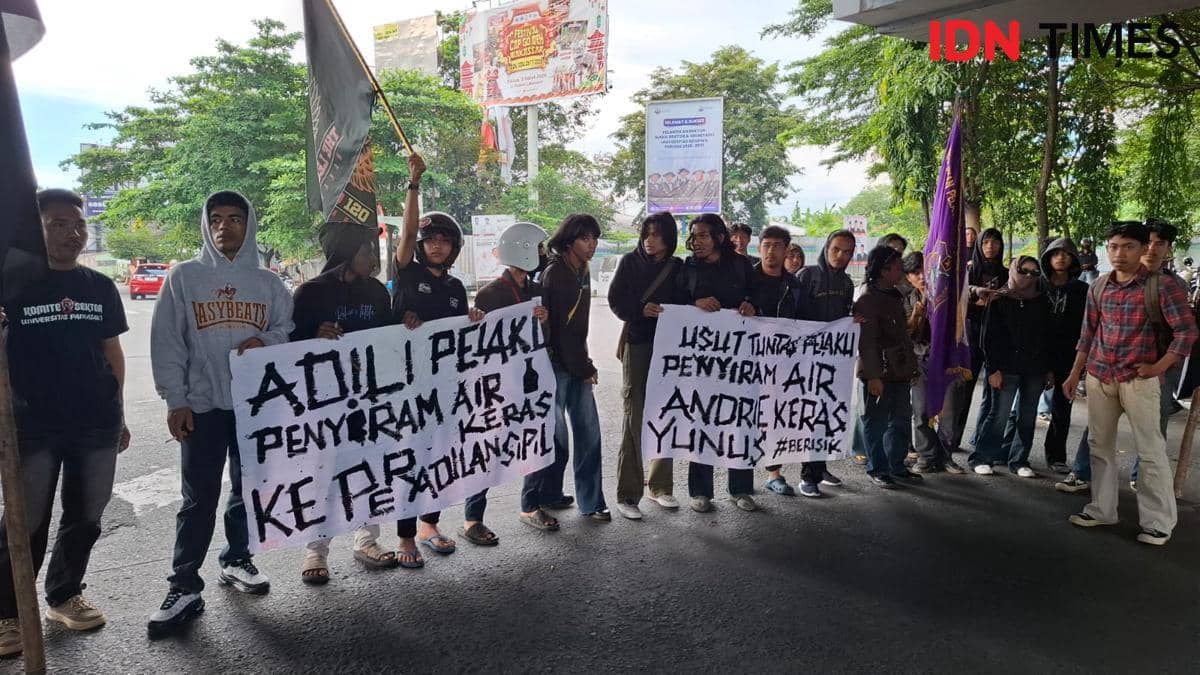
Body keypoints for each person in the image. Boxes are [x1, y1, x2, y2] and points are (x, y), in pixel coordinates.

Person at [148, 190, 293, 637]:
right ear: (205, 224)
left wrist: (265, 342)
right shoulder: (184, 277)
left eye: (234, 218)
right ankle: (184, 584)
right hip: (203, 404)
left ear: (249, 224)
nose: (224, 227)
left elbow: (286, 330)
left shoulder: (268, 283)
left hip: (254, 407)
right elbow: (167, 341)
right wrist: (176, 399)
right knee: (198, 498)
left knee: (248, 490)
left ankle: (237, 558)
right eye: (216, 218)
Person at [0, 190, 130, 655]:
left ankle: (63, 595)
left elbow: (111, 351)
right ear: (36, 229)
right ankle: (8, 613)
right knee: (24, 521)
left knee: (86, 516)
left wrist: (120, 414)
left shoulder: (98, 286)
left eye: (78, 224)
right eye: (58, 224)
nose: (72, 233)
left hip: (94, 423)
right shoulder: (11, 286)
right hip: (30, 428)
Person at [1063, 221, 1197, 546]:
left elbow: (1187, 332)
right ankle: (1101, 509)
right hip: (1099, 375)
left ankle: (1158, 522)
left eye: (1128, 247)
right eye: (1113, 246)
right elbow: (1087, 334)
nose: (1119, 254)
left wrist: (1159, 366)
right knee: (1099, 446)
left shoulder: (1162, 286)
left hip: (1140, 379)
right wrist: (1074, 373)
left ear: (1143, 249)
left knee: (1150, 451)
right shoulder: (1098, 286)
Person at [391, 157, 488, 562]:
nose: (436, 245)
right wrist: (414, 184)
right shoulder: (406, 273)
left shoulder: (454, 285)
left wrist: (474, 320)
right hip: (407, 385)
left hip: (445, 386)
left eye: (444, 241)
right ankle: (405, 537)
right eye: (430, 240)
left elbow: (459, 333)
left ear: (453, 248)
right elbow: (409, 229)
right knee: (410, 458)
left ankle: (430, 523)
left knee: (440, 455)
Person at [290, 222, 396, 585]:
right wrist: (311, 335)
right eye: (366, 251)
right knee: (325, 471)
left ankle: (368, 539)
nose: (372, 258)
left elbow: (393, 337)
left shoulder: (378, 292)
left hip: (369, 396)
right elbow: (284, 348)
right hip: (325, 402)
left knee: (371, 466)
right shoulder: (309, 294)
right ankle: (315, 551)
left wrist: (410, 322)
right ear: (345, 254)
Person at [673, 213, 759, 512]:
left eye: (702, 236)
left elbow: (756, 295)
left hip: (737, 357)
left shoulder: (742, 265)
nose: (695, 241)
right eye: (693, 236)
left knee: (739, 419)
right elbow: (675, 303)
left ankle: (741, 488)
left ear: (719, 238)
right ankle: (700, 492)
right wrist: (693, 303)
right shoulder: (687, 267)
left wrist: (750, 304)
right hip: (701, 360)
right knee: (703, 420)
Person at [475, 222, 557, 530]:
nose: (542, 254)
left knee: (534, 440)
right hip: (497, 385)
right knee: (487, 446)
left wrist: (544, 321)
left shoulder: (537, 291)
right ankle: (473, 518)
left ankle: (530, 505)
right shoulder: (489, 294)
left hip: (531, 381)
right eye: (538, 248)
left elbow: (543, 337)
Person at [538, 214, 610, 521]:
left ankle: (591, 502)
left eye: (594, 238)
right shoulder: (557, 274)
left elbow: (577, 328)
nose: (591, 244)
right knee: (557, 439)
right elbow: (561, 331)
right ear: (569, 241)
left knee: (588, 435)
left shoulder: (581, 269)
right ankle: (546, 495)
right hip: (555, 364)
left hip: (576, 362)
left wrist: (583, 363)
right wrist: (585, 367)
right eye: (585, 239)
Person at [608, 213, 681, 520]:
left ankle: (661, 486)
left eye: (657, 235)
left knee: (667, 415)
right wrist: (640, 310)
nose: (650, 241)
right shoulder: (629, 262)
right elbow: (615, 301)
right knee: (634, 416)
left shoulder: (678, 267)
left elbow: (688, 302)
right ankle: (628, 494)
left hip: (670, 349)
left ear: (669, 239)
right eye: (646, 234)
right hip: (637, 345)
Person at [967, 256, 1051, 478]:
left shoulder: (1042, 301)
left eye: (1034, 273)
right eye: (1024, 270)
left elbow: (1047, 338)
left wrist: (1048, 370)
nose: (1028, 277)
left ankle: (1019, 459)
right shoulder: (999, 300)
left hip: (1034, 368)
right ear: (1014, 270)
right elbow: (988, 339)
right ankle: (982, 457)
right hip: (1005, 367)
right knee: (999, 414)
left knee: (1027, 415)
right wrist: (993, 369)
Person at [854, 246, 922, 489]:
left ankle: (896, 466)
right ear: (883, 270)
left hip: (899, 371)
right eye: (896, 266)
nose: (901, 270)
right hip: (879, 373)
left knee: (901, 421)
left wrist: (911, 368)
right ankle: (878, 469)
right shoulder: (868, 300)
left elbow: (904, 337)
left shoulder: (895, 296)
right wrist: (873, 376)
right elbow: (867, 343)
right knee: (877, 423)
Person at [793, 231, 855, 487]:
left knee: (825, 415)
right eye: (836, 249)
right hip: (805, 360)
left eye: (848, 252)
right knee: (807, 416)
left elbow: (845, 317)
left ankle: (819, 467)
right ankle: (808, 476)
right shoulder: (807, 276)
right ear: (826, 247)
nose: (841, 256)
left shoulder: (848, 283)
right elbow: (791, 316)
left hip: (833, 360)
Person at [943, 227, 1007, 453]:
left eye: (995, 242)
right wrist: (975, 294)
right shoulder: (968, 270)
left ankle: (983, 441)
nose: (991, 246)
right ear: (979, 244)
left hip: (996, 338)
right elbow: (957, 294)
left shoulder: (1007, 273)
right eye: (986, 242)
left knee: (995, 394)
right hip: (969, 336)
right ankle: (952, 440)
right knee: (962, 390)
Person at [752, 227, 805, 496]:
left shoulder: (795, 286)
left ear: (786, 250)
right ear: (759, 247)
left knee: (775, 418)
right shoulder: (745, 279)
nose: (771, 251)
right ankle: (739, 479)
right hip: (747, 361)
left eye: (777, 245)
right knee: (744, 417)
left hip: (781, 364)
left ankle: (774, 473)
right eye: (766, 245)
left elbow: (808, 320)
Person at [903, 252, 962, 474]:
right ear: (908, 277)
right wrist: (918, 314)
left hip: (946, 360)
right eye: (915, 273)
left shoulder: (947, 295)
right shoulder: (908, 299)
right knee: (921, 412)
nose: (921, 276)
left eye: (923, 271)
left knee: (948, 412)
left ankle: (946, 457)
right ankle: (926, 456)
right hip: (920, 360)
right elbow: (909, 335)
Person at [1040, 238, 1088, 475]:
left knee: (1062, 409)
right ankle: (1011, 452)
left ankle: (1056, 455)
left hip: (1067, 357)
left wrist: (1082, 362)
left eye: (1066, 254)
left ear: (1073, 259)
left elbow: (1087, 327)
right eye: (1056, 253)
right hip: (1036, 353)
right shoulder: (1036, 285)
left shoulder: (1082, 290)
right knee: (1023, 407)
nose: (1061, 258)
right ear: (1048, 257)